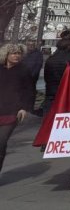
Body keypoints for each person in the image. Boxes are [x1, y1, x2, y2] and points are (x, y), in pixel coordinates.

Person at [0, 44, 33, 177]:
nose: (16, 56)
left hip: (12, 111)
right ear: (6, 55)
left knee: (1, 142)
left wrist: (24, 108)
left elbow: (29, 91)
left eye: (19, 53)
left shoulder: (24, 70)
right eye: (13, 53)